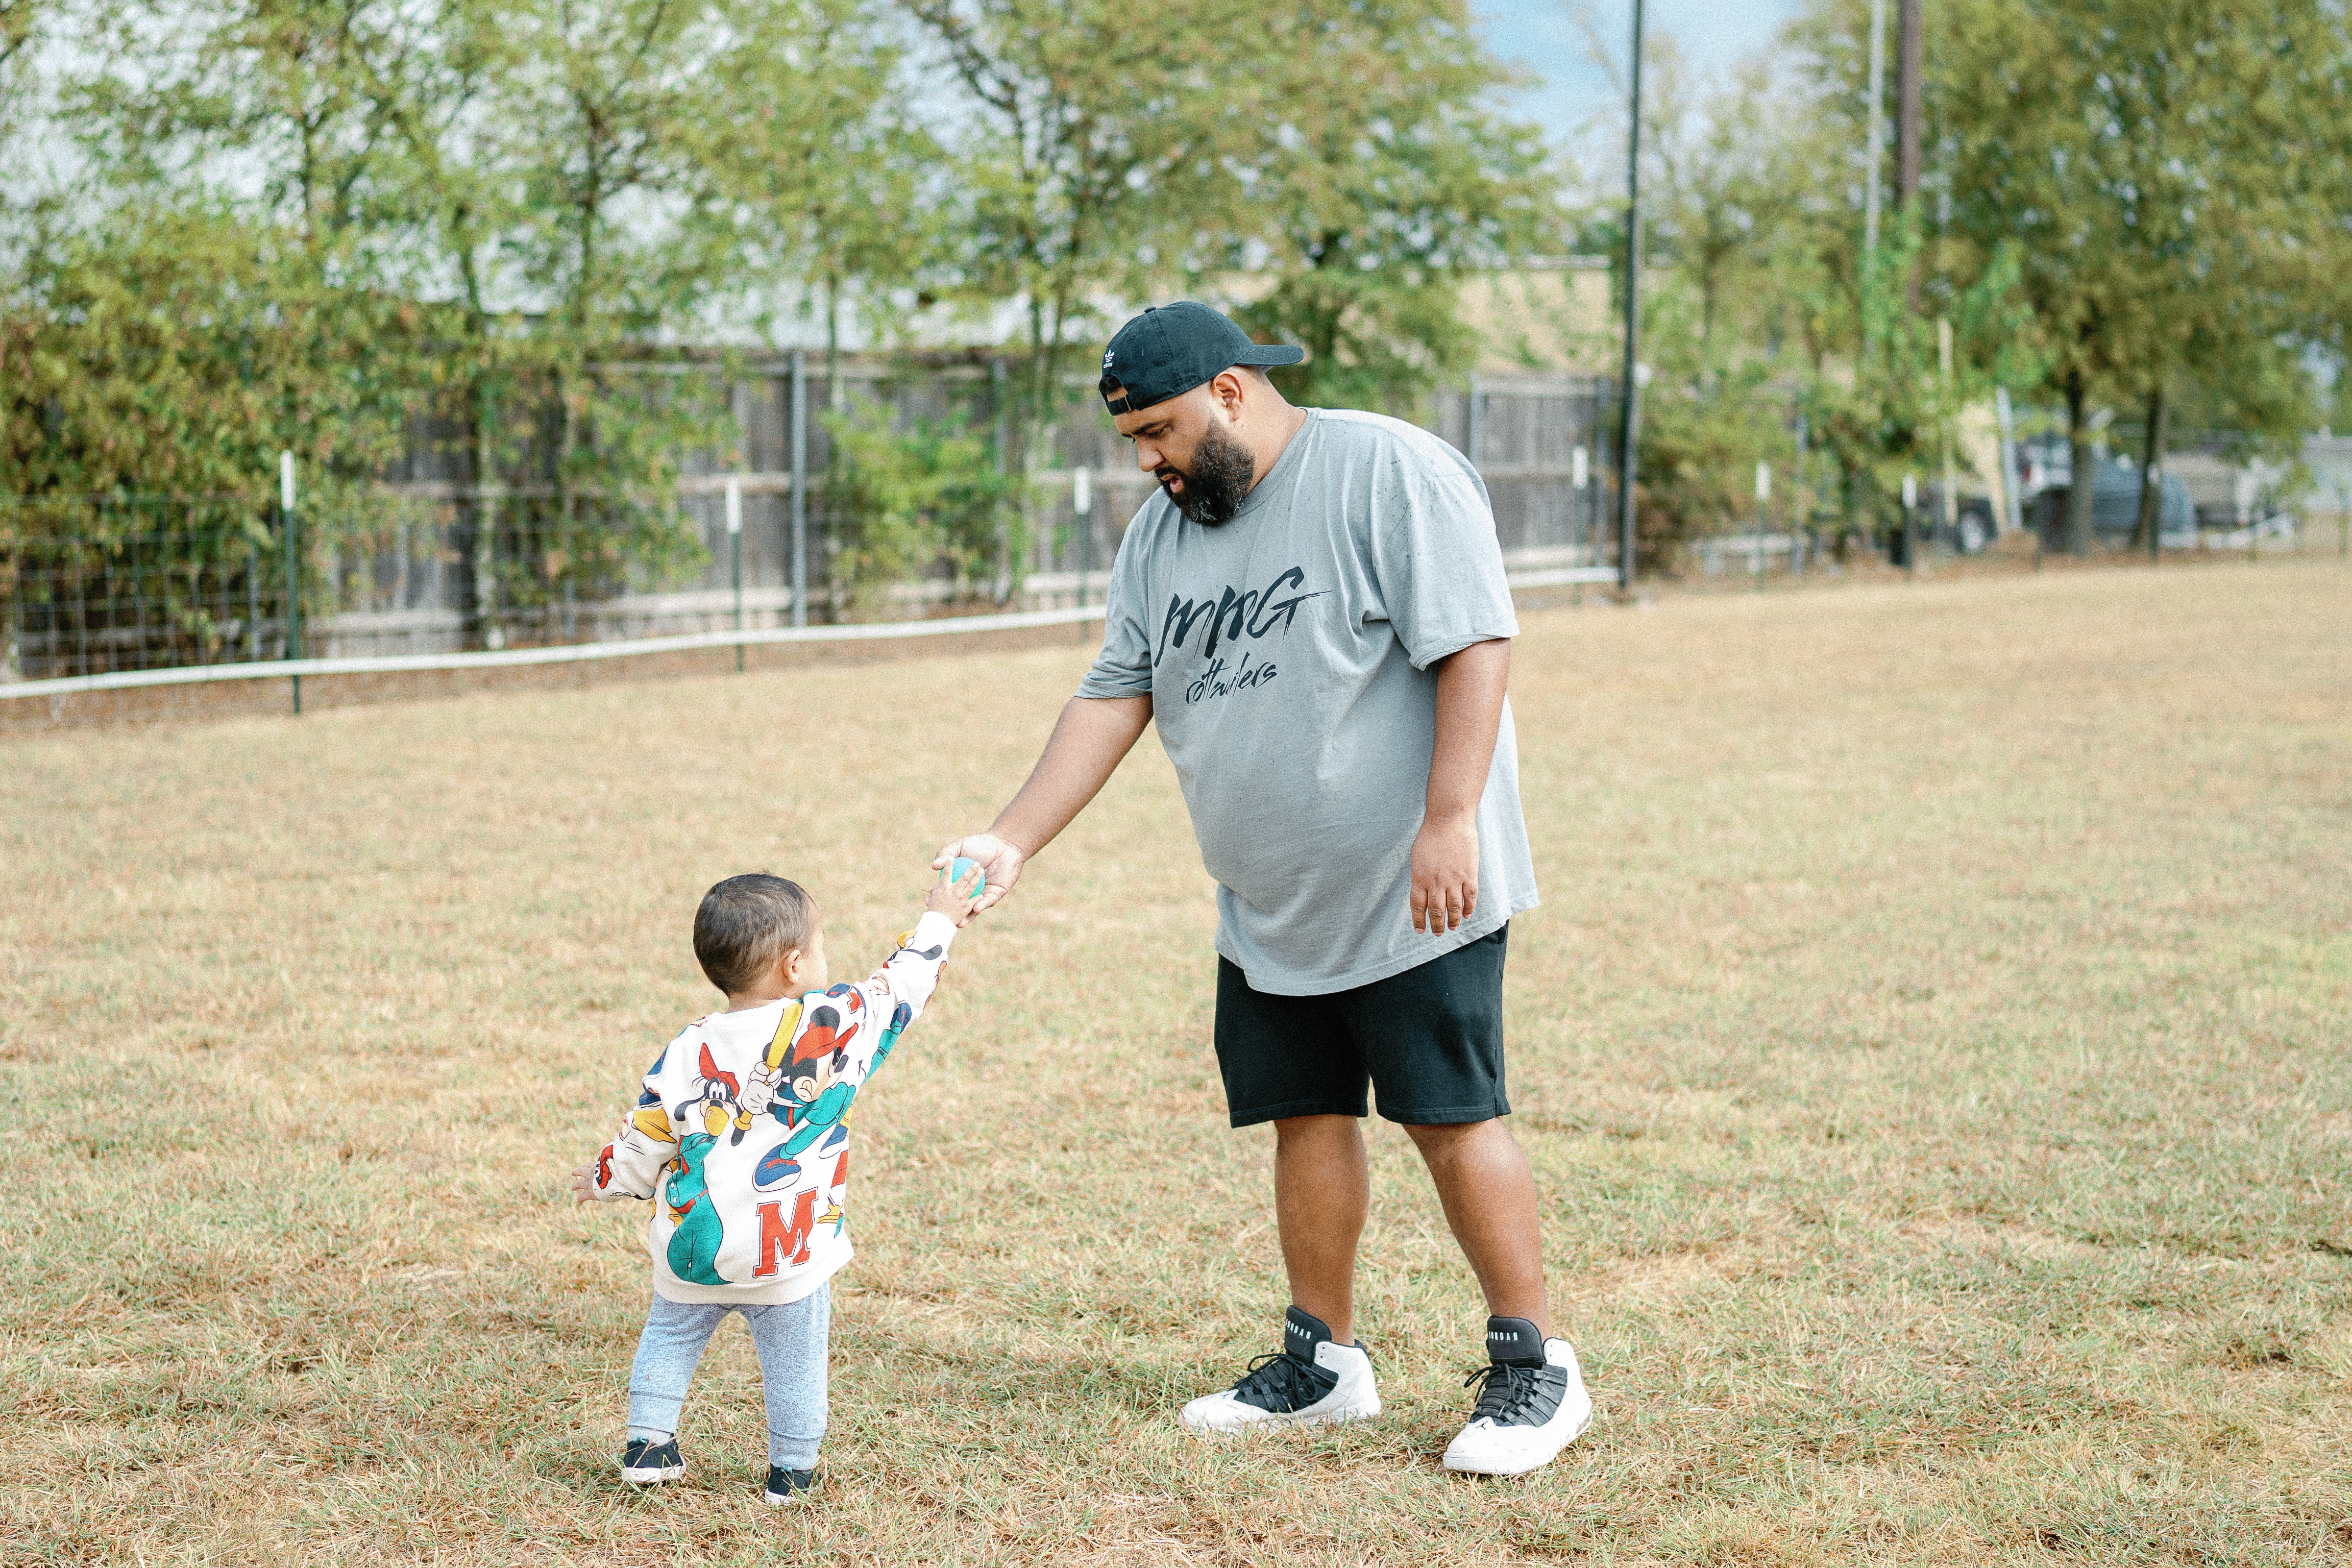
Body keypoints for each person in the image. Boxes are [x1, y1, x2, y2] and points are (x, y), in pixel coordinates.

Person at [935, 302, 1591, 1476]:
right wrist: (1012, 837)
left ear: (1232, 391)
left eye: (1161, 429)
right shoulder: (1162, 536)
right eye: (1134, 438)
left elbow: (1476, 641)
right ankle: (1321, 1359)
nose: (1149, 458)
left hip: (1412, 886)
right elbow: (1114, 691)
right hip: (1269, 902)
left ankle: (1532, 1359)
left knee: (1450, 1114)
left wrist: (1450, 818)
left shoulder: (1384, 468)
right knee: (1304, 1114)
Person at [569, 865, 982, 1503]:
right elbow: (901, 985)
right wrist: (942, 917)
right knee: (796, 1363)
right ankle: (792, 1470)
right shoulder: (832, 1024)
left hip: (694, 1248)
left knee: (670, 1338)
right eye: (817, 945)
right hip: (785, 1253)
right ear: (794, 966)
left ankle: (649, 1447)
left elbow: (647, 1133)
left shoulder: (690, 1046)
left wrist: (605, 1179)